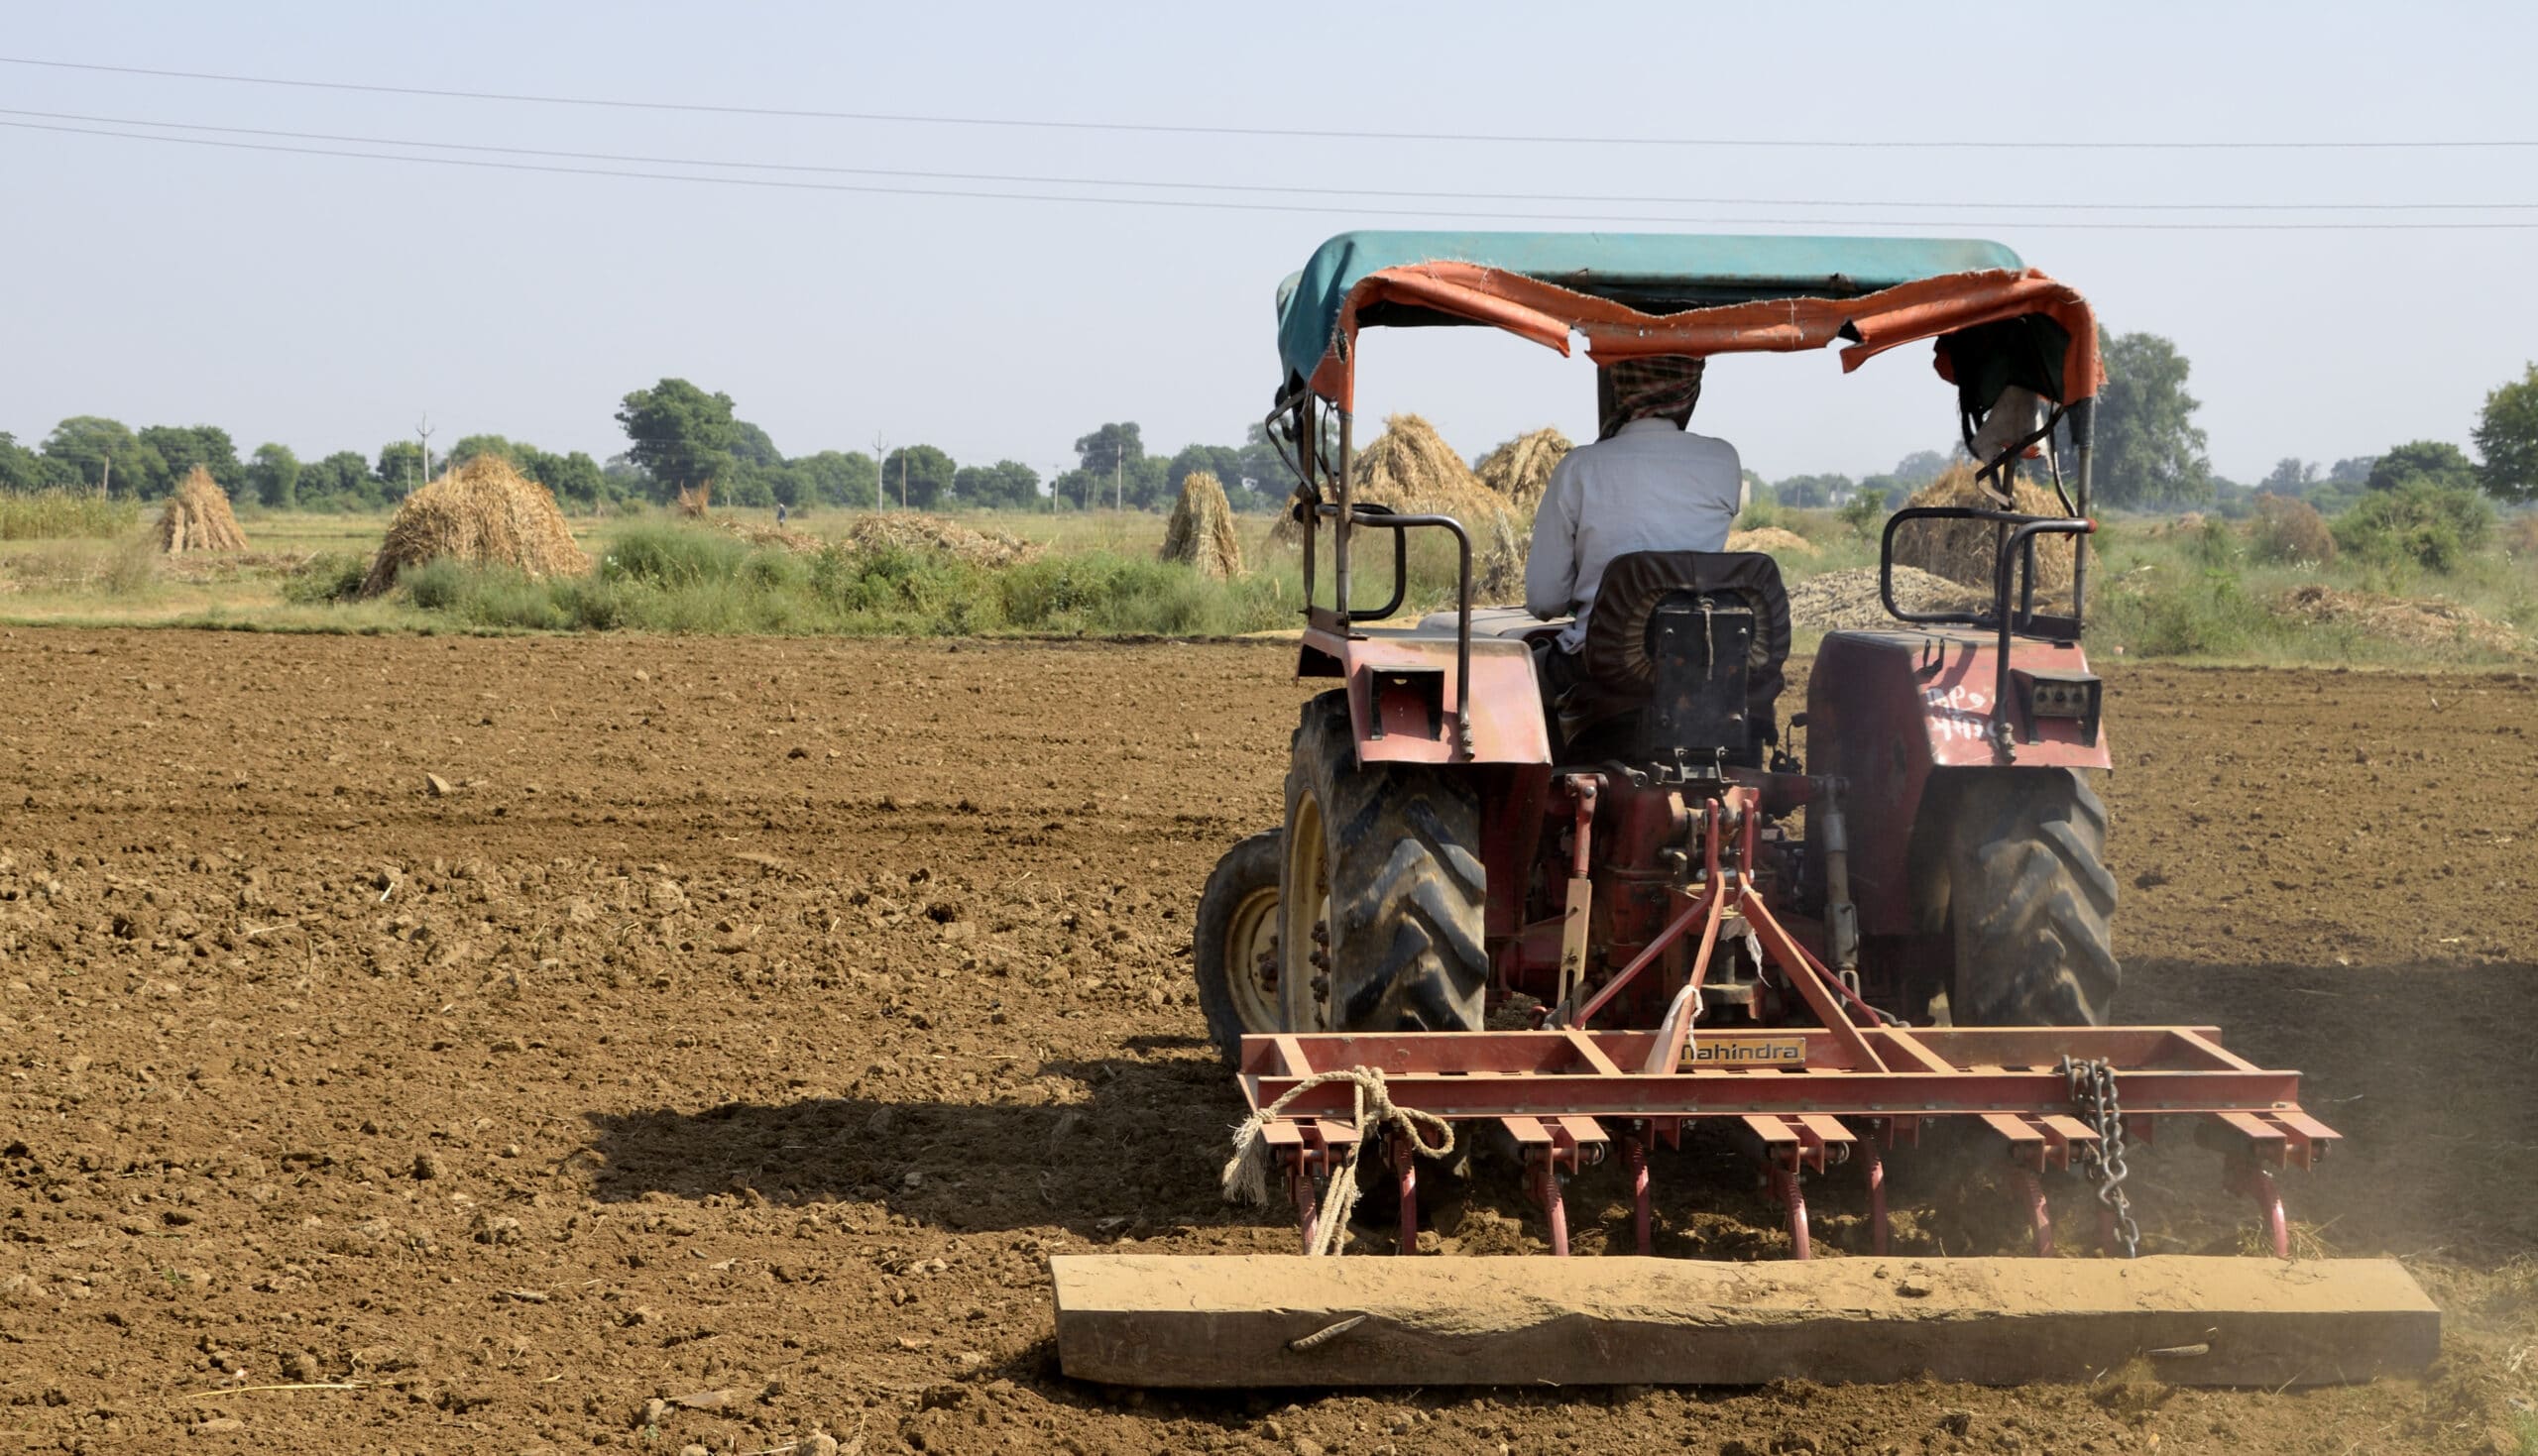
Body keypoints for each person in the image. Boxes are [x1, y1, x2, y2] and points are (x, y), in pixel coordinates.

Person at [1524, 355, 1744, 687]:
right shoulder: (1723, 460)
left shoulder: (1580, 467)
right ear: (1689, 394)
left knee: (1522, 675)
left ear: (1621, 389)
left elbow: (1544, 602)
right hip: (1701, 659)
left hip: (1599, 664)